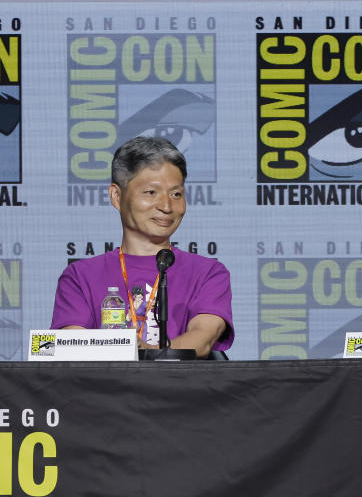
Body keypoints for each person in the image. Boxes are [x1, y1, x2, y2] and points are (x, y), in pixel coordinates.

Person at [51, 136, 233, 357]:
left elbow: (203, 338)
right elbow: (69, 349)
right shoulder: (80, 276)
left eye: (176, 194)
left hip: (180, 388)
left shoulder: (209, 273)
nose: (166, 206)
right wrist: (129, 350)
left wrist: (149, 353)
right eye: (151, 192)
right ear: (117, 197)